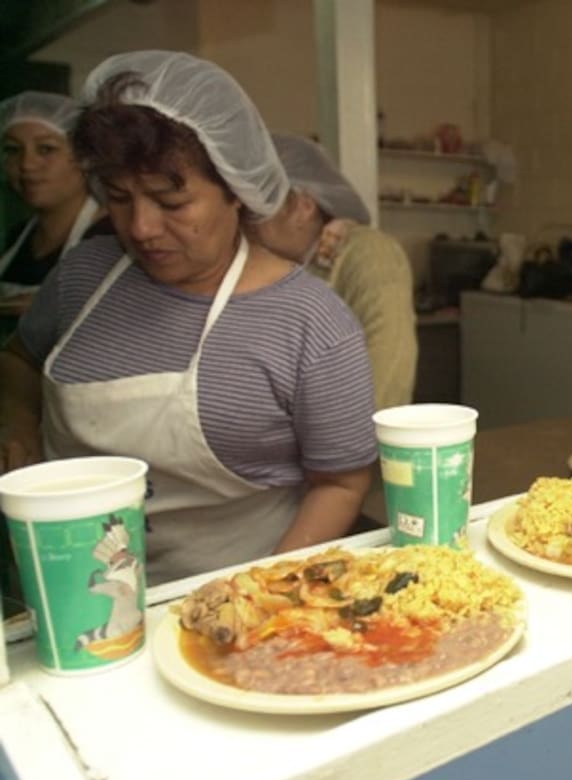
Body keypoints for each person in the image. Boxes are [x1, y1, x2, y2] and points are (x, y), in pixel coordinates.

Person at [0, 51, 379, 585]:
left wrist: (267, 590)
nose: (142, 226)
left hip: (225, 600)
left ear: (236, 190)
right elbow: (19, 358)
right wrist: (17, 422)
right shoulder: (83, 275)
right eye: (120, 198)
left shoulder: (310, 322)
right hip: (66, 589)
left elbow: (340, 484)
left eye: (170, 201)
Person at [250, 132, 417, 409]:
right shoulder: (279, 266)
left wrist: (347, 445)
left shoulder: (369, 253)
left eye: (259, 207)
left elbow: (390, 367)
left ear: (303, 206)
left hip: (352, 446)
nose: (247, 221)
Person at [0, 91, 108, 301]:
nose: (26, 165)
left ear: (84, 158)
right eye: (13, 150)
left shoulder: (110, 236)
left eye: (46, 149)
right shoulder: (18, 235)